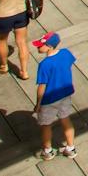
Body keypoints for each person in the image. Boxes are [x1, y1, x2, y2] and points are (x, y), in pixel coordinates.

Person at [31, 32, 77, 160]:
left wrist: (38, 104)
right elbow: (70, 62)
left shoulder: (45, 64)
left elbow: (42, 87)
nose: (38, 47)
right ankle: (70, 148)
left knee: (46, 125)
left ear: (49, 47)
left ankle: (48, 151)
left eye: (41, 45)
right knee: (66, 119)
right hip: (65, 94)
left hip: (49, 99)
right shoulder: (66, 53)